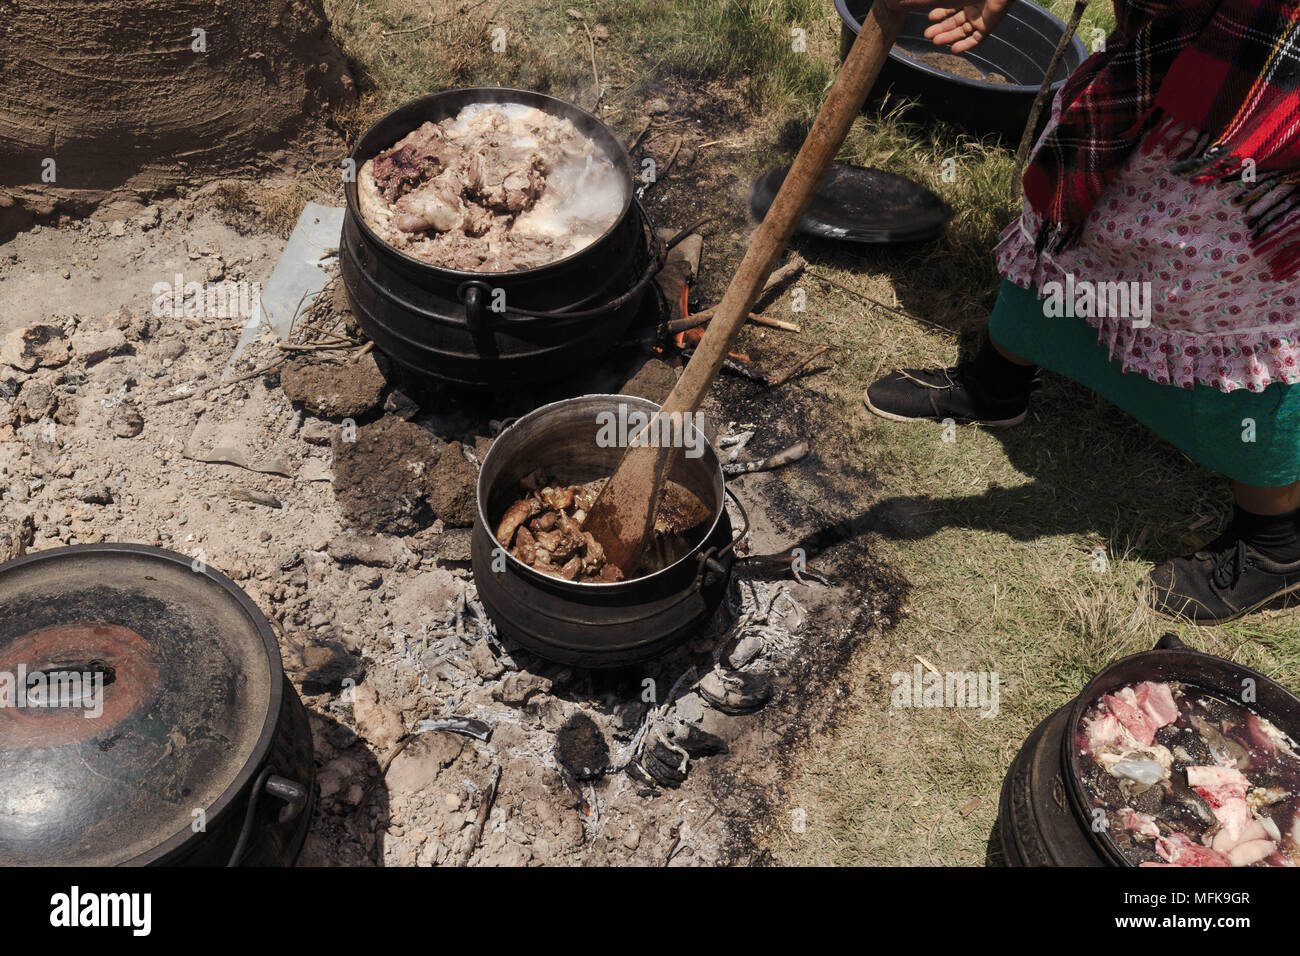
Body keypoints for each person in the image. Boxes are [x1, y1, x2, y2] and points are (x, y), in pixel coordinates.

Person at [866, 0, 1300, 623]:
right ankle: (997, 386)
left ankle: (1275, 545)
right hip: (1162, 56)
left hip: (1265, 94)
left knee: (1223, 283)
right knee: (1081, 218)